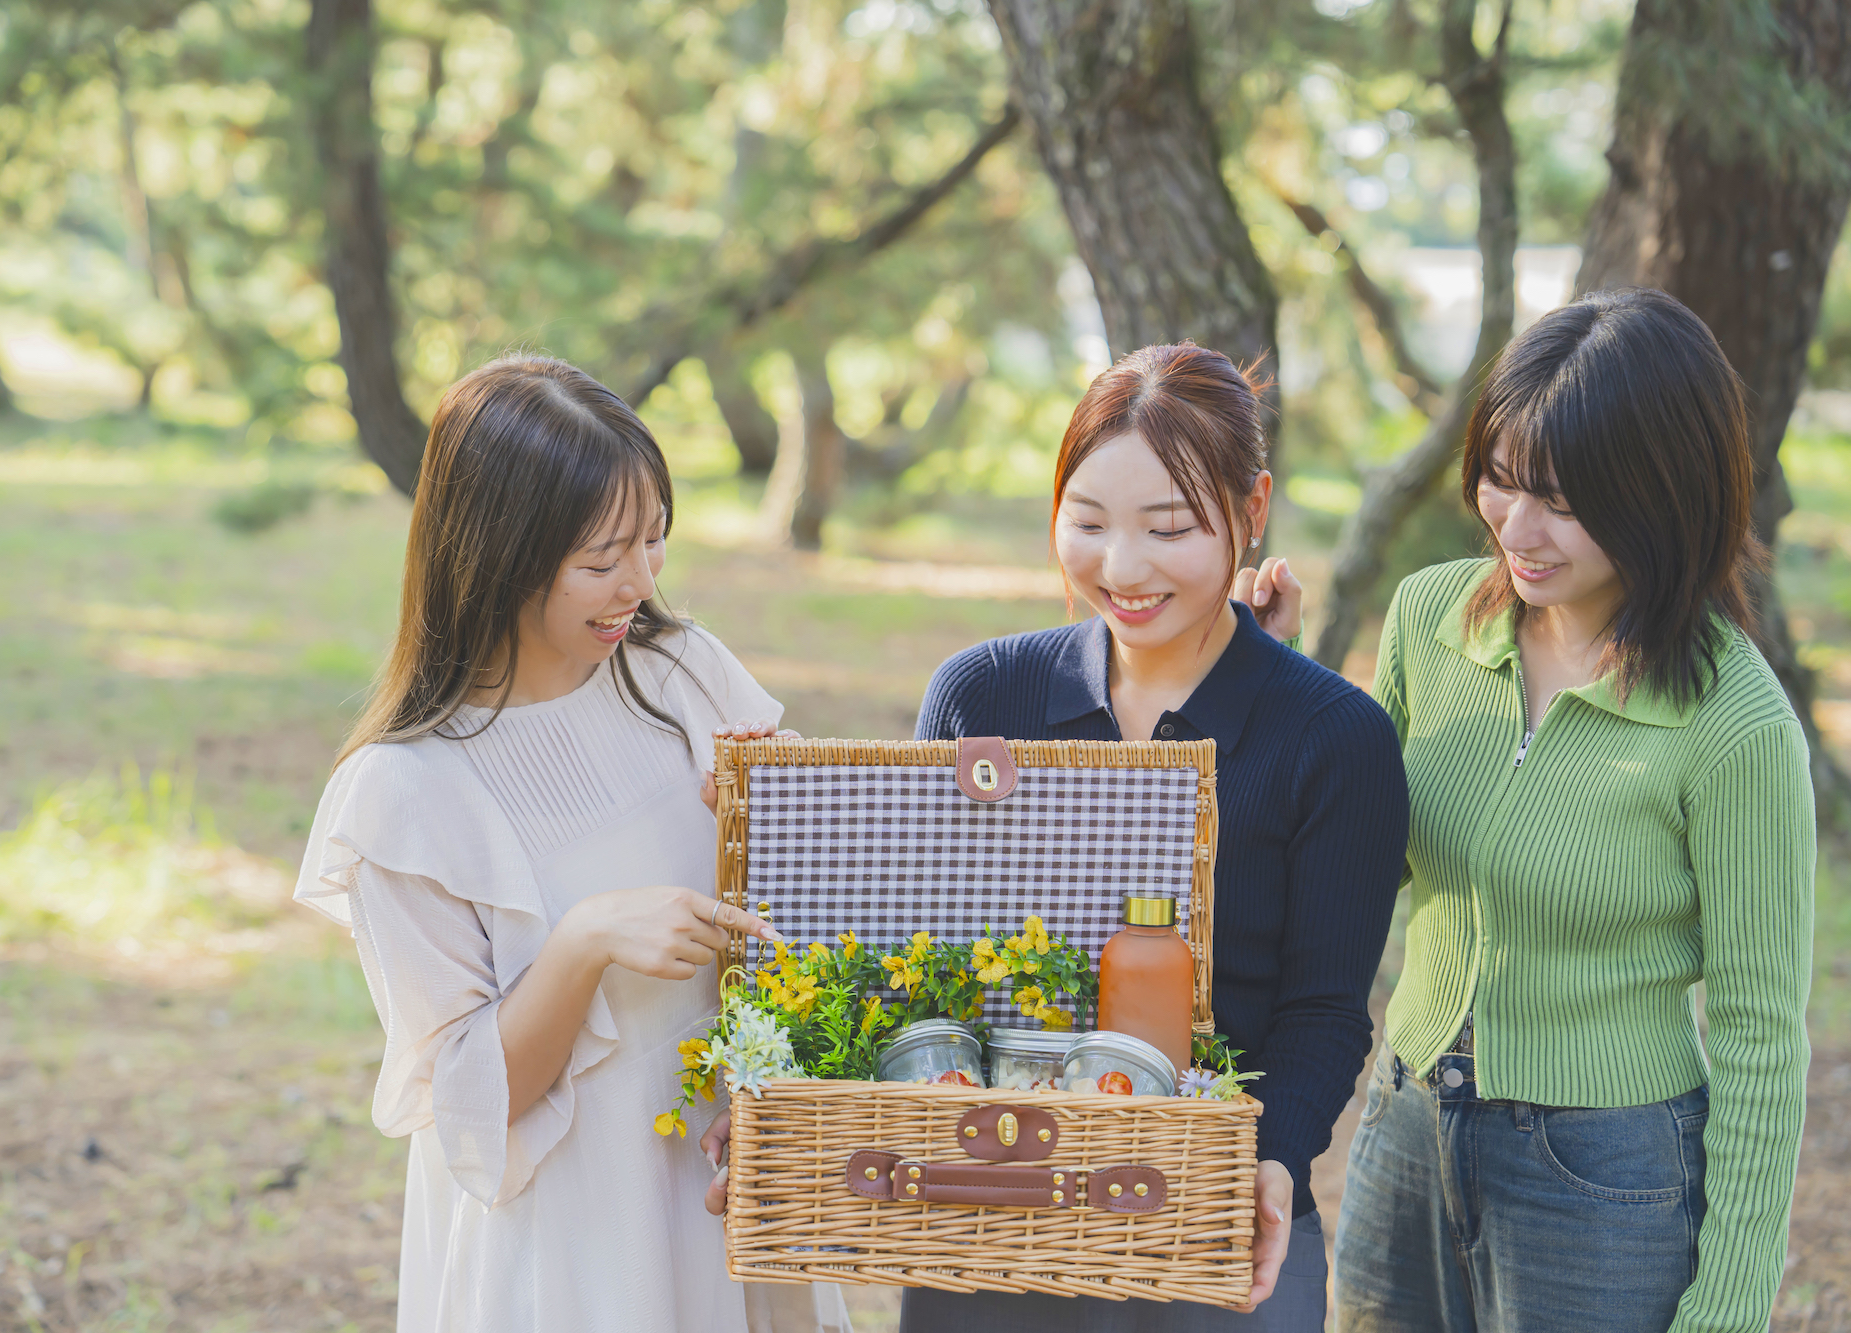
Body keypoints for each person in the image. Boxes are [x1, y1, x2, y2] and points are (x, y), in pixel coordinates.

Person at [294, 355, 850, 1333]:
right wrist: (585, 942)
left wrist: (799, 824)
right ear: (499, 555)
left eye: (654, 542)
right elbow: (476, 1106)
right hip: (576, 1229)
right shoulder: (405, 795)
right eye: (601, 558)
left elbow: (800, 921)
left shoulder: (680, 675)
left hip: (725, 1170)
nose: (636, 583)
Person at [897, 342, 1411, 1331]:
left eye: (1166, 528)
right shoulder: (980, 696)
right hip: (992, 1208)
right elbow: (920, 965)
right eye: (1085, 523)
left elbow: (1323, 1011)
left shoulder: (1332, 738)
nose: (1119, 568)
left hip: (1215, 1215)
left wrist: (1272, 1154)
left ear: (1251, 510)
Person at [1333, 288, 1815, 1332]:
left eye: (1558, 498)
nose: (1515, 525)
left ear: (1659, 493)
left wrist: (1728, 1301)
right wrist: (1263, 681)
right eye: (1498, 482)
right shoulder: (1429, 618)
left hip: (1600, 1176)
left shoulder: (1733, 725)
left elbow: (1758, 1034)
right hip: (1405, 1122)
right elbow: (1349, 853)